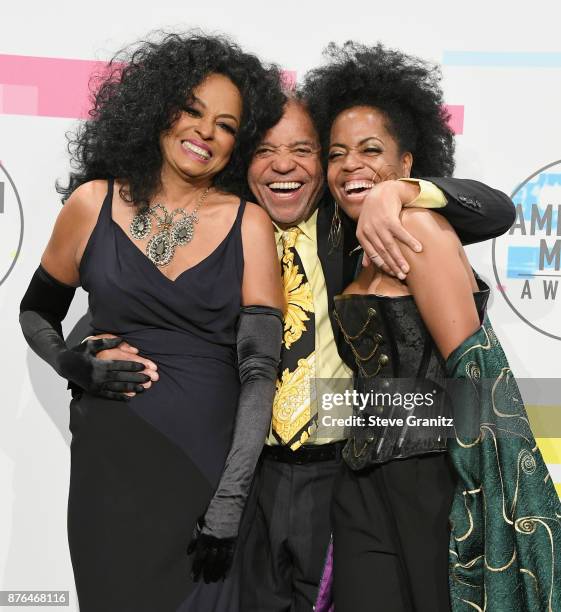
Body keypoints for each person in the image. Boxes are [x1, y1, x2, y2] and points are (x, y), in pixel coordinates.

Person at [80, 88, 518, 611]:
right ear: (244, 162)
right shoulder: (223, 234)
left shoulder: (361, 227)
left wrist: (400, 191)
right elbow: (124, 307)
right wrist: (76, 355)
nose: (282, 165)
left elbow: (494, 209)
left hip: (343, 477)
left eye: (305, 150)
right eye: (264, 151)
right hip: (244, 481)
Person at [18, 32, 286, 612]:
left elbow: (261, 371)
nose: (205, 133)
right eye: (192, 110)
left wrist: (230, 501)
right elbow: (36, 310)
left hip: (207, 473)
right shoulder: (92, 204)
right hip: (110, 475)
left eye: (226, 125)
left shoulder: (250, 224)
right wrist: (70, 361)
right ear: (157, 107)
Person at [303, 42, 561, 612]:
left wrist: (402, 197)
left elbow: (472, 381)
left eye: (372, 151)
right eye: (337, 152)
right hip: (360, 486)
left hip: (438, 482)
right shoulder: (343, 243)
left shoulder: (423, 228)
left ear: (407, 164)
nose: (352, 165)